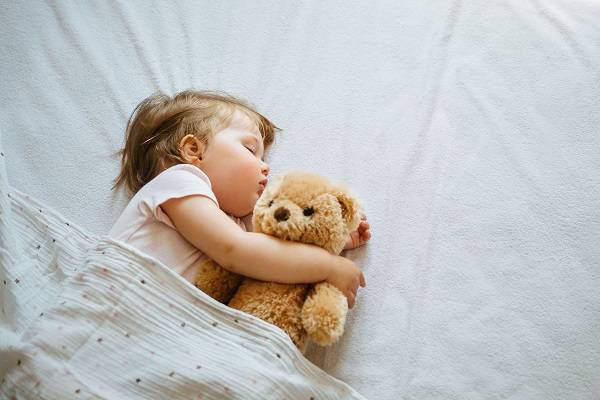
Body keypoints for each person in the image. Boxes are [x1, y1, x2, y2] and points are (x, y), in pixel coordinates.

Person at [109, 90, 370, 308]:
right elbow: (235, 250)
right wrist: (327, 265)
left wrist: (325, 240)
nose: (265, 168)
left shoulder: (233, 223)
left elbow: (271, 253)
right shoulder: (179, 182)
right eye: (250, 149)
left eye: (264, 159)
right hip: (115, 306)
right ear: (193, 151)